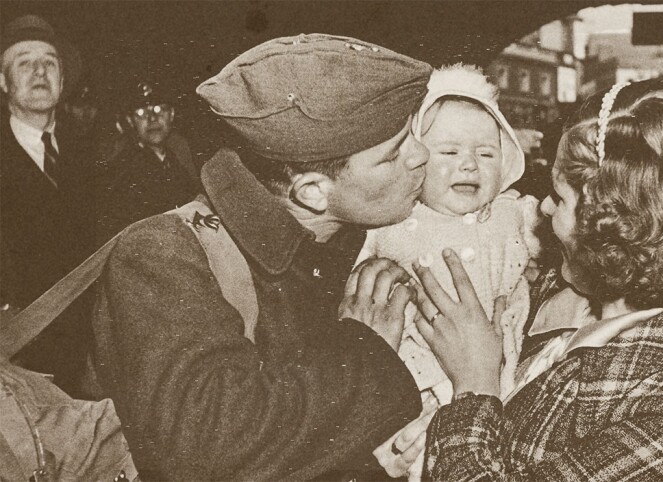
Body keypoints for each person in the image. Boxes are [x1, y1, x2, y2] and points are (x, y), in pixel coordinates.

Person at [90, 34, 432, 480]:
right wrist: (362, 349)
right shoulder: (164, 253)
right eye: (394, 154)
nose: (421, 156)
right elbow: (208, 451)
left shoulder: (357, 238)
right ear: (312, 193)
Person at [414, 78, 663, 480]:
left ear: (613, 225)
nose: (544, 207)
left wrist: (473, 388)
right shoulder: (550, 288)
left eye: (560, 198)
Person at [358, 64, 540, 479]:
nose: (470, 165)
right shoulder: (389, 224)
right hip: (410, 372)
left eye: (486, 153)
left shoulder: (515, 214)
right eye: (449, 152)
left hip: (496, 377)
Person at [0, 14, 95, 397]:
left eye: (50, 62)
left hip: (96, 359)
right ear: (3, 81)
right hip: (22, 365)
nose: (40, 71)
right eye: (24, 62)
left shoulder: (95, 155)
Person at [95, 80, 200, 243]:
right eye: (142, 113)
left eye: (159, 110)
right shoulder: (122, 171)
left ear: (171, 115)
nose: (152, 118)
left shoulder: (178, 159)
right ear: (130, 121)